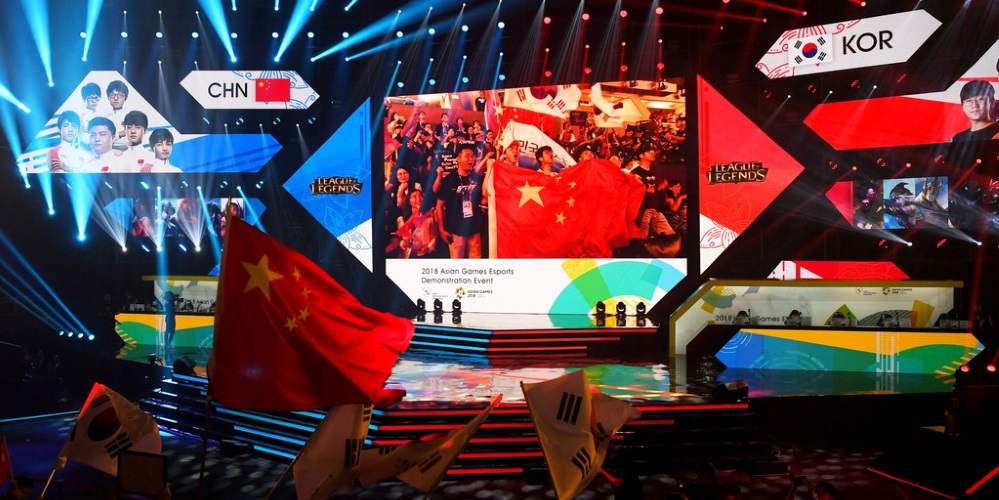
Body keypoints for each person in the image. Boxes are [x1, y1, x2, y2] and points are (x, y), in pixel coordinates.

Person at [436, 144, 488, 258]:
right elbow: (439, 206)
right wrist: (441, 229)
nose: (471, 159)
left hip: (474, 230)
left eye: (472, 156)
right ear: (458, 159)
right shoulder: (449, 180)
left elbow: (483, 200)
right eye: (467, 156)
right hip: (455, 231)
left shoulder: (477, 178)